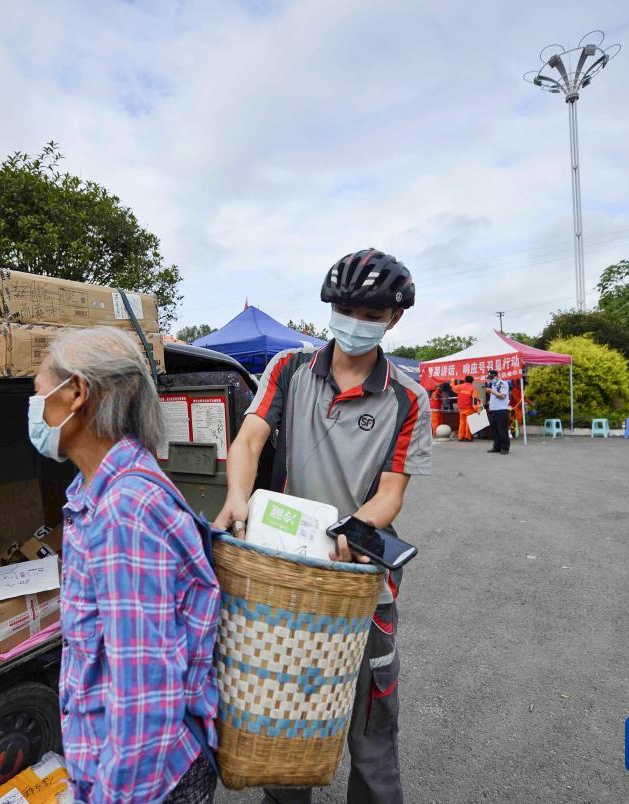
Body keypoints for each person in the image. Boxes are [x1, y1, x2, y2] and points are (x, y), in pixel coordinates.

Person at [215, 248, 431, 804]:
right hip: (284, 572)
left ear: (394, 319)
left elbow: (391, 493)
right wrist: (238, 495)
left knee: (371, 727)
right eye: (346, 308)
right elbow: (249, 438)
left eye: (372, 313)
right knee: (287, 711)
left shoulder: (409, 397)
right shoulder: (288, 369)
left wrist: (351, 529)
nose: (356, 322)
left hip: (359, 579)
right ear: (330, 308)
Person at [28, 326, 221, 803]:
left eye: (37, 393)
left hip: (149, 784)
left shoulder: (125, 510)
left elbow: (145, 698)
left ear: (76, 393)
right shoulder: (103, 491)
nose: (34, 409)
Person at [485, 368, 511, 454]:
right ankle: (497, 447)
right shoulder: (492, 385)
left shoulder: (503, 384)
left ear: (497, 376)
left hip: (502, 410)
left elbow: (502, 396)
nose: (491, 379)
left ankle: (505, 448)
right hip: (493, 411)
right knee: (494, 430)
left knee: (502, 430)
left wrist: (491, 391)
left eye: (492, 377)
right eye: (490, 378)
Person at [454, 375, 480, 442]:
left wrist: (452, 381)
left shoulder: (459, 386)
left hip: (461, 408)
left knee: (462, 422)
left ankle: (460, 436)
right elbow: (474, 400)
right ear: (472, 381)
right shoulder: (473, 388)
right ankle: (468, 437)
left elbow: (453, 388)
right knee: (468, 422)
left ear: (465, 380)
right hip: (469, 408)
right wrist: (477, 409)